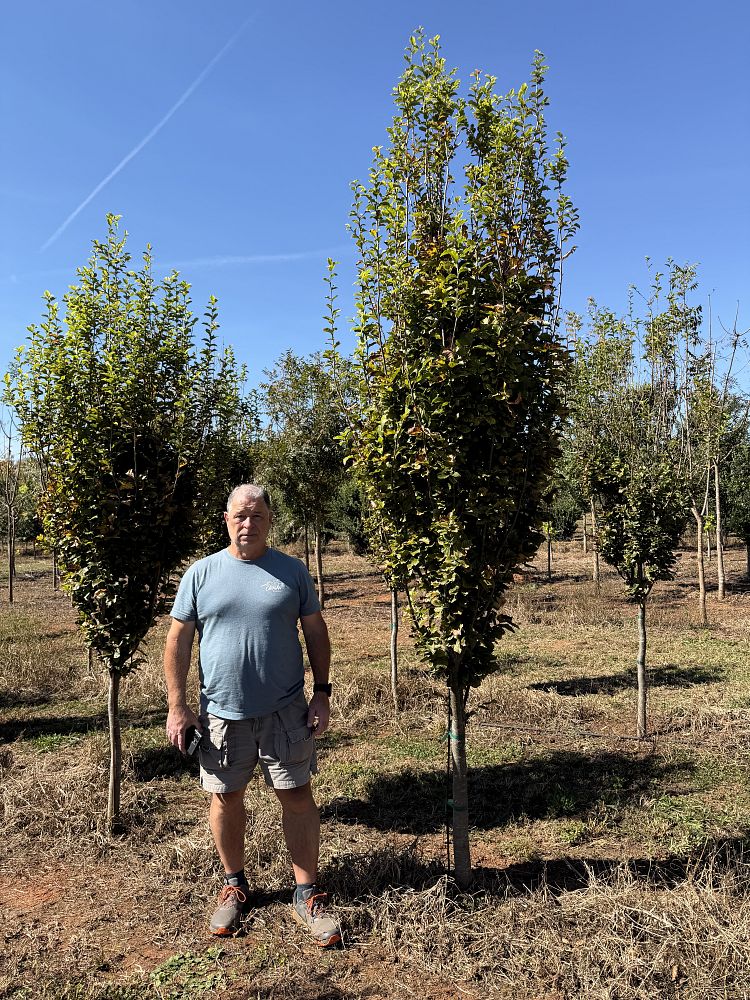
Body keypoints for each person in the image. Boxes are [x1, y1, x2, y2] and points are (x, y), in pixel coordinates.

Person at [164, 484, 340, 947]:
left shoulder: (291, 572)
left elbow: (316, 633)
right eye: (240, 516)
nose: (248, 524)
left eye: (257, 516)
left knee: (297, 796)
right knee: (225, 798)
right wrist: (177, 705)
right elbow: (178, 640)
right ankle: (235, 885)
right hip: (221, 714)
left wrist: (321, 693)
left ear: (269, 521)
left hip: (285, 710)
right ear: (226, 520)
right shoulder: (200, 575)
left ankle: (307, 892)